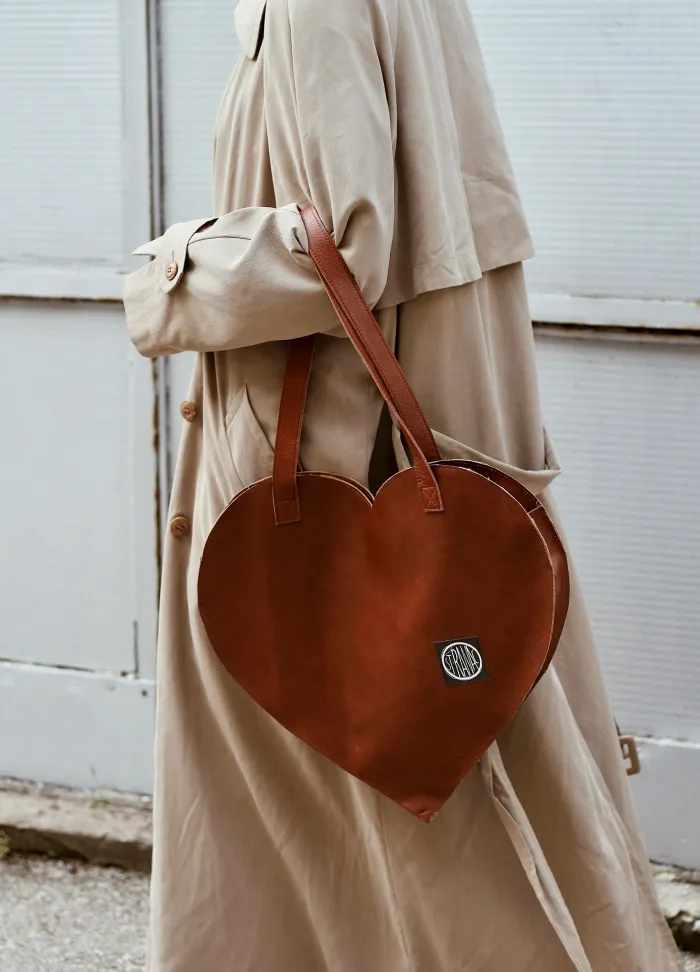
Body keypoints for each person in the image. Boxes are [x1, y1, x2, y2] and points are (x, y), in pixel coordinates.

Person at [123, 1, 682, 969]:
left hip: (334, 451)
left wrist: (168, 275)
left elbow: (346, 246)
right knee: (469, 761)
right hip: (425, 417)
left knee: (392, 802)